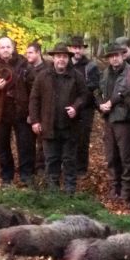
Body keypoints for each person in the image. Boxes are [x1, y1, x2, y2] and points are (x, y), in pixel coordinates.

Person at [29, 43, 88, 193]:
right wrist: (35, 121)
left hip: (70, 127)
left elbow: (85, 96)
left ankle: (69, 190)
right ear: (53, 58)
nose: (61, 59)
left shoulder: (76, 76)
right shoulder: (43, 76)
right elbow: (34, 99)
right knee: (51, 160)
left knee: (69, 160)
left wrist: (76, 107)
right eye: (58, 56)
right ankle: (52, 192)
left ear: (68, 59)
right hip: (49, 126)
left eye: (64, 57)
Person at [0, 37, 35, 187]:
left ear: (13, 48)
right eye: (2, 47)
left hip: (21, 111)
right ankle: (6, 177)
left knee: (25, 146)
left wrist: (32, 112)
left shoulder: (24, 65)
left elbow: (34, 90)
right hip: (0, 113)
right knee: (2, 147)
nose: (5, 50)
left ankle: (26, 177)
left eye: (8, 47)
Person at [96, 43, 130, 203]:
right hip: (108, 119)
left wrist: (112, 102)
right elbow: (97, 91)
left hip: (124, 120)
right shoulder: (105, 73)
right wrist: (100, 104)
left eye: (117, 55)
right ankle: (115, 188)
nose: (114, 58)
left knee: (126, 156)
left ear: (122, 55)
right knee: (111, 156)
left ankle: (127, 190)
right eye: (111, 56)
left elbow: (129, 92)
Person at [67, 36, 100, 176]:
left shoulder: (91, 66)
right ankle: (68, 166)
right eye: (74, 48)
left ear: (83, 49)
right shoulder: (65, 64)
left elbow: (94, 85)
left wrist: (80, 91)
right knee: (68, 137)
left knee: (82, 138)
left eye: (79, 48)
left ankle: (81, 168)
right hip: (68, 106)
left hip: (86, 108)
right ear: (70, 49)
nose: (77, 51)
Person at [24, 42, 48, 177]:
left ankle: (41, 167)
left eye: (30, 52)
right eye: (27, 53)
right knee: (28, 142)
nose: (28, 55)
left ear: (38, 53)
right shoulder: (26, 69)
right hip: (28, 110)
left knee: (42, 141)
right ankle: (30, 167)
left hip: (43, 111)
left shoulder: (47, 69)